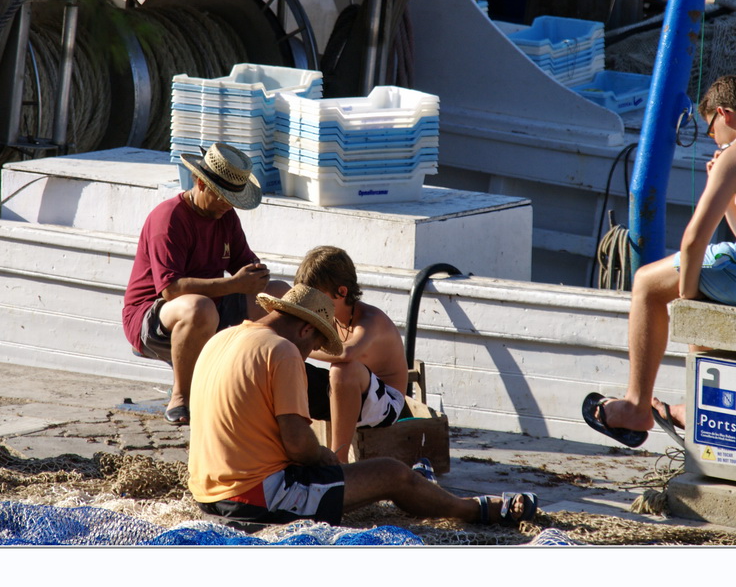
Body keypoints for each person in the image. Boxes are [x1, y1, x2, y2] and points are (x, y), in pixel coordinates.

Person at [582, 75, 736, 447]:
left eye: (710, 128)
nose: (712, 137)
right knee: (706, 276)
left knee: (648, 284)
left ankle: (636, 407)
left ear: (723, 114)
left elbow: (694, 239)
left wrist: (686, 297)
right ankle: (696, 409)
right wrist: (726, 191)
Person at [187, 283, 538, 527]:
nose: (310, 354)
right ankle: (476, 511)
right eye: (316, 345)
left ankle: (426, 491)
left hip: (207, 491)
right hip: (256, 499)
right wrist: (323, 457)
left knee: (366, 477)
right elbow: (296, 442)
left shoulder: (223, 337)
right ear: (306, 330)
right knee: (392, 473)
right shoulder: (282, 351)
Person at [122, 143, 286, 427]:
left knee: (280, 294)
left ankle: (261, 379)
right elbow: (170, 290)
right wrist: (235, 283)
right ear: (200, 183)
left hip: (213, 306)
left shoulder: (225, 216)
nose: (228, 204)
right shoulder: (169, 218)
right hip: (151, 315)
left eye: (233, 198)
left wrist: (257, 276)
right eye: (223, 196)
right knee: (200, 308)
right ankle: (181, 396)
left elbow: (243, 264)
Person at [293, 246, 408, 463]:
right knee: (285, 365)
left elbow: (348, 352)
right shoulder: (328, 316)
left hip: (385, 407)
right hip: (345, 399)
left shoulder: (371, 319)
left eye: (317, 297)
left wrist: (301, 346)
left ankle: (339, 460)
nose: (312, 304)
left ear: (342, 292)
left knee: (342, 370)